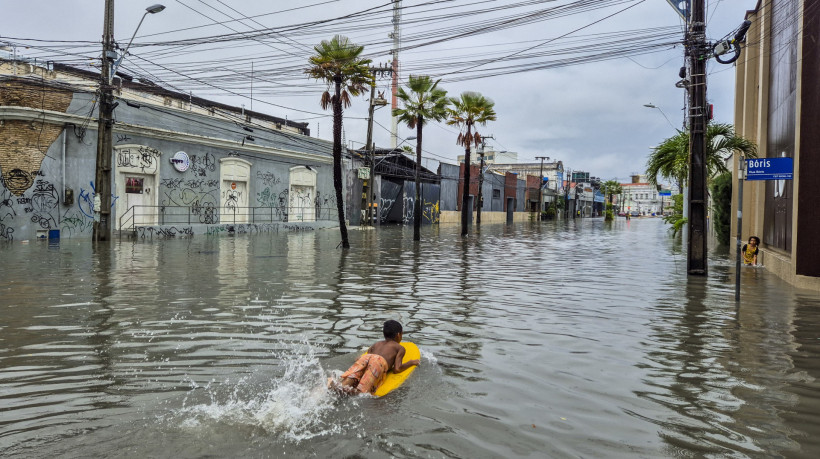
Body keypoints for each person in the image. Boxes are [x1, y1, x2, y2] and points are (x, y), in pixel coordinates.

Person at [329, 320, 420, 395]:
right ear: (398, 335)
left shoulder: (377, 344)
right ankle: (342, 390)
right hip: (378, 362)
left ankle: (335, 385)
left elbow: (364, 357)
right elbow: (397, 369)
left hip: (366, 358)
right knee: (361, 393)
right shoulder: (399, 348)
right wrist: (411, 362)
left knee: (350, 380)